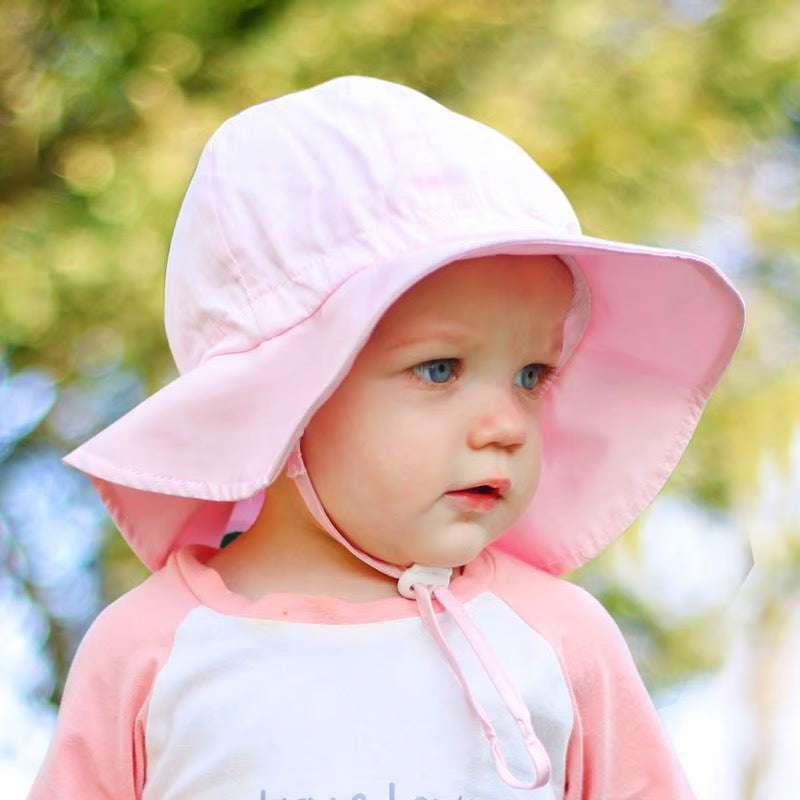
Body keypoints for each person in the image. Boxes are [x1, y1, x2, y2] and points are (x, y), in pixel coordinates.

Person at [28, 75, 745, 799]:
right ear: (284, 396)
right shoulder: (150, 650)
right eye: (440, 369)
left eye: (532, 376)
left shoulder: (557, 640)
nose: (506, 426)